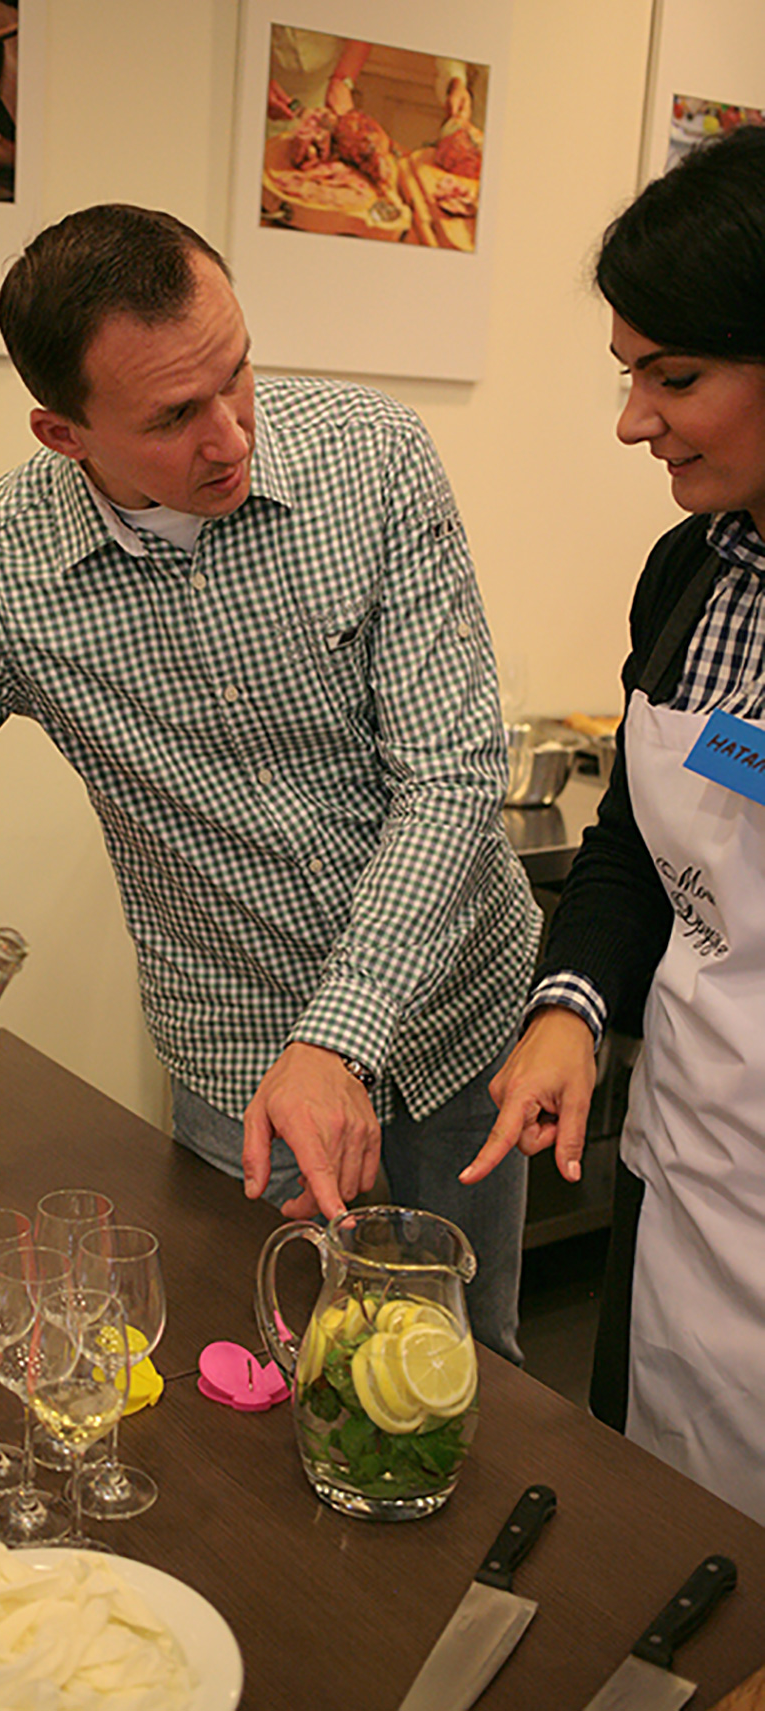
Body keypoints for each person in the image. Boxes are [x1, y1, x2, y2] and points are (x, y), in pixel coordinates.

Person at [0, 204, 539, 1359]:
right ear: (63, 433)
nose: (230, 436)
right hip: (243, 1065)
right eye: (173, 416)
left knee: (477, 1377)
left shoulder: (373, 457)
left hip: (459, 1026)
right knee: (268, 1380)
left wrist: (344, 1032)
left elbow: (454, 775)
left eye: (238, 372)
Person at [463, 124, 765, 1520]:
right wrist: (570, 1008)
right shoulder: (691, 571)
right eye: (631, 373)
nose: (635, 418)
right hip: (690, 1196)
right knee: (661, 1549)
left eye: (677, 375)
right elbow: (646, 852)